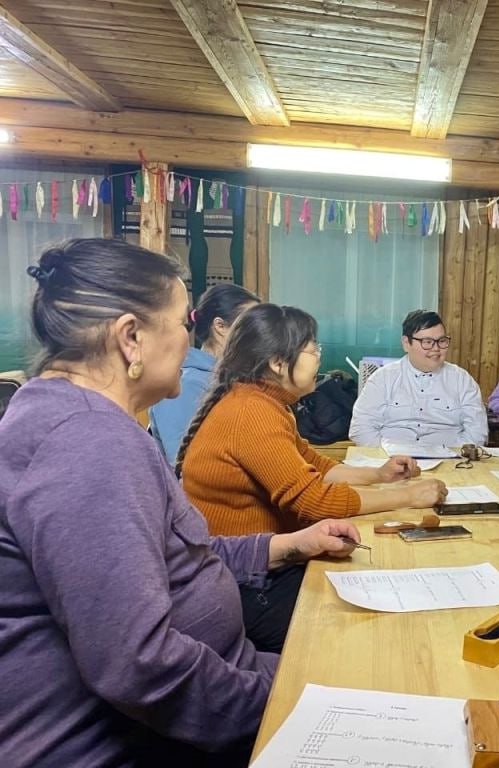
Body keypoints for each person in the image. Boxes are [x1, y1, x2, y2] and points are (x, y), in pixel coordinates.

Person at [0, 238, 363, 767]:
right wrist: (286, 701)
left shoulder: (82, 420)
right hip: (130, 740)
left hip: (217, 678)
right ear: (131, 337)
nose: (190, 341)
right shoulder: (88, 442)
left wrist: (287, 545)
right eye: (181, 322)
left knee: (366, 669)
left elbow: (175, 553)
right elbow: (140, 666)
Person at [177, 303, 448, 652]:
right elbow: (314, 501)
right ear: (278, 363)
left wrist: (380, 474)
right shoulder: (251, 412)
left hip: (264, 566)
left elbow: (317, 466)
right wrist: (409, 497)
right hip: (248, 583)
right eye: (312, 349)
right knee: (373, 626)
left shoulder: (265, 403)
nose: (319, 357)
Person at [149, 282, 259, 462]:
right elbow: (184, 464)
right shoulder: (186, 385)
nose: (260, 335)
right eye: (251, 326)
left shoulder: (237, 380)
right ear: (220, 326)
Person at [349, 309, 488, 447]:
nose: (436, 348)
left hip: (450, 457)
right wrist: (388, 454)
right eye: (427, 342)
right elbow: (360, 428)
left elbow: (477, 432)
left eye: (442, 341)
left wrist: (453, 454)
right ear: (406, 343)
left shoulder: (462, 380)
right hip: (391, 457)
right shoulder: (383, 378)